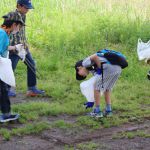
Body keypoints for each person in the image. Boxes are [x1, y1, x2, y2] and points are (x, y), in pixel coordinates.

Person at [7, 0, 45, 97]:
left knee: (32, 64)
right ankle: (4, 90)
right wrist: (13, 46)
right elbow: (6, 31)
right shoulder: (11, 15)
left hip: (23, 47)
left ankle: (32, 89)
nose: (28, 10)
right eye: (26, 7)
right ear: (19, 5)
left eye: (28, 8)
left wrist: (25, 43)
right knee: (10, 69)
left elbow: (22, 32)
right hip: (14, 48)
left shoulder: (23, 15)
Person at [75, 51, 122, 118]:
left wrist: (100, 68)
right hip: (117, 69)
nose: (82, 76)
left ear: (79, 68)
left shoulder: (84, 63)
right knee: (107, 89)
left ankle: (97, 112)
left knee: (96, 88)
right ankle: (108, 111)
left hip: (109, 68)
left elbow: (95, 56)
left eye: (79, 73)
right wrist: (91, 100)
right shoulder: (92, 69)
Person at [0, 13, 25, 123]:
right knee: (3, 90)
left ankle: (6, 114)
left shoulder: (5, 33)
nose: (19, 29)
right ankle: (6, 115)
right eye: (19, 26)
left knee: (3, 90)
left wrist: (15, 47)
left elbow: (4, 47)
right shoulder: (2, 34)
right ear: (14, 24)